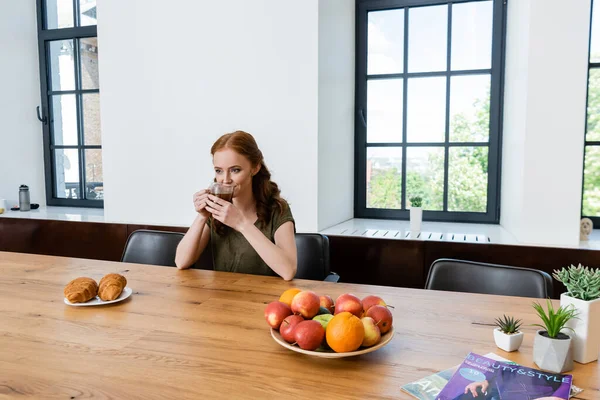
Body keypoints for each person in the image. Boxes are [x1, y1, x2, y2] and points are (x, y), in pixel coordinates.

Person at [175, 130, 297, 280]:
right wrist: (202, 216)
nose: (225, 180)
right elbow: (181, 262)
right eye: (219, 171)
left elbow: (288, 271)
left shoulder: (277, 209)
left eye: (235, 170)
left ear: (255, 168)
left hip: (266, 300)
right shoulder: (216, 209)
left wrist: (241, 224)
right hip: (223, 299)